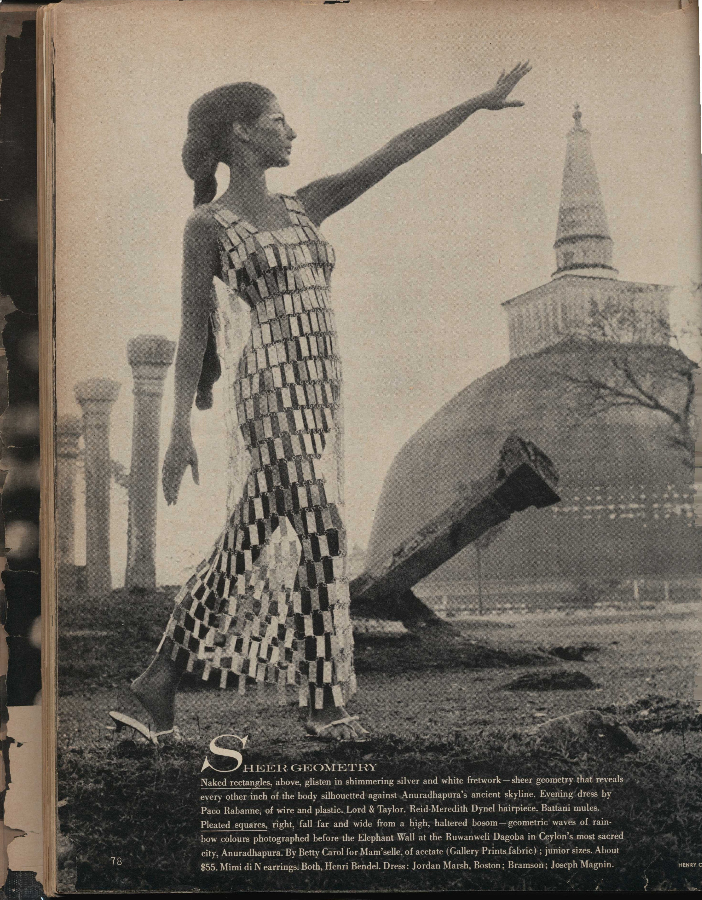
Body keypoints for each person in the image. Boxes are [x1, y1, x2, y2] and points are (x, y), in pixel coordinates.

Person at [109, 62, 531, 745]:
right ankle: (324, 700)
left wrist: (476, 102)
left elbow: (394, 152)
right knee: (325, 532)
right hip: (269, 392)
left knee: (244, 544)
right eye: (279, 121)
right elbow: (193, 337)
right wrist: (178, 429)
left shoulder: (308, 203)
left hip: (315, 396)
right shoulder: (207, 226)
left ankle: (156, 684)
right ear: (242, 134)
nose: (292, 132)